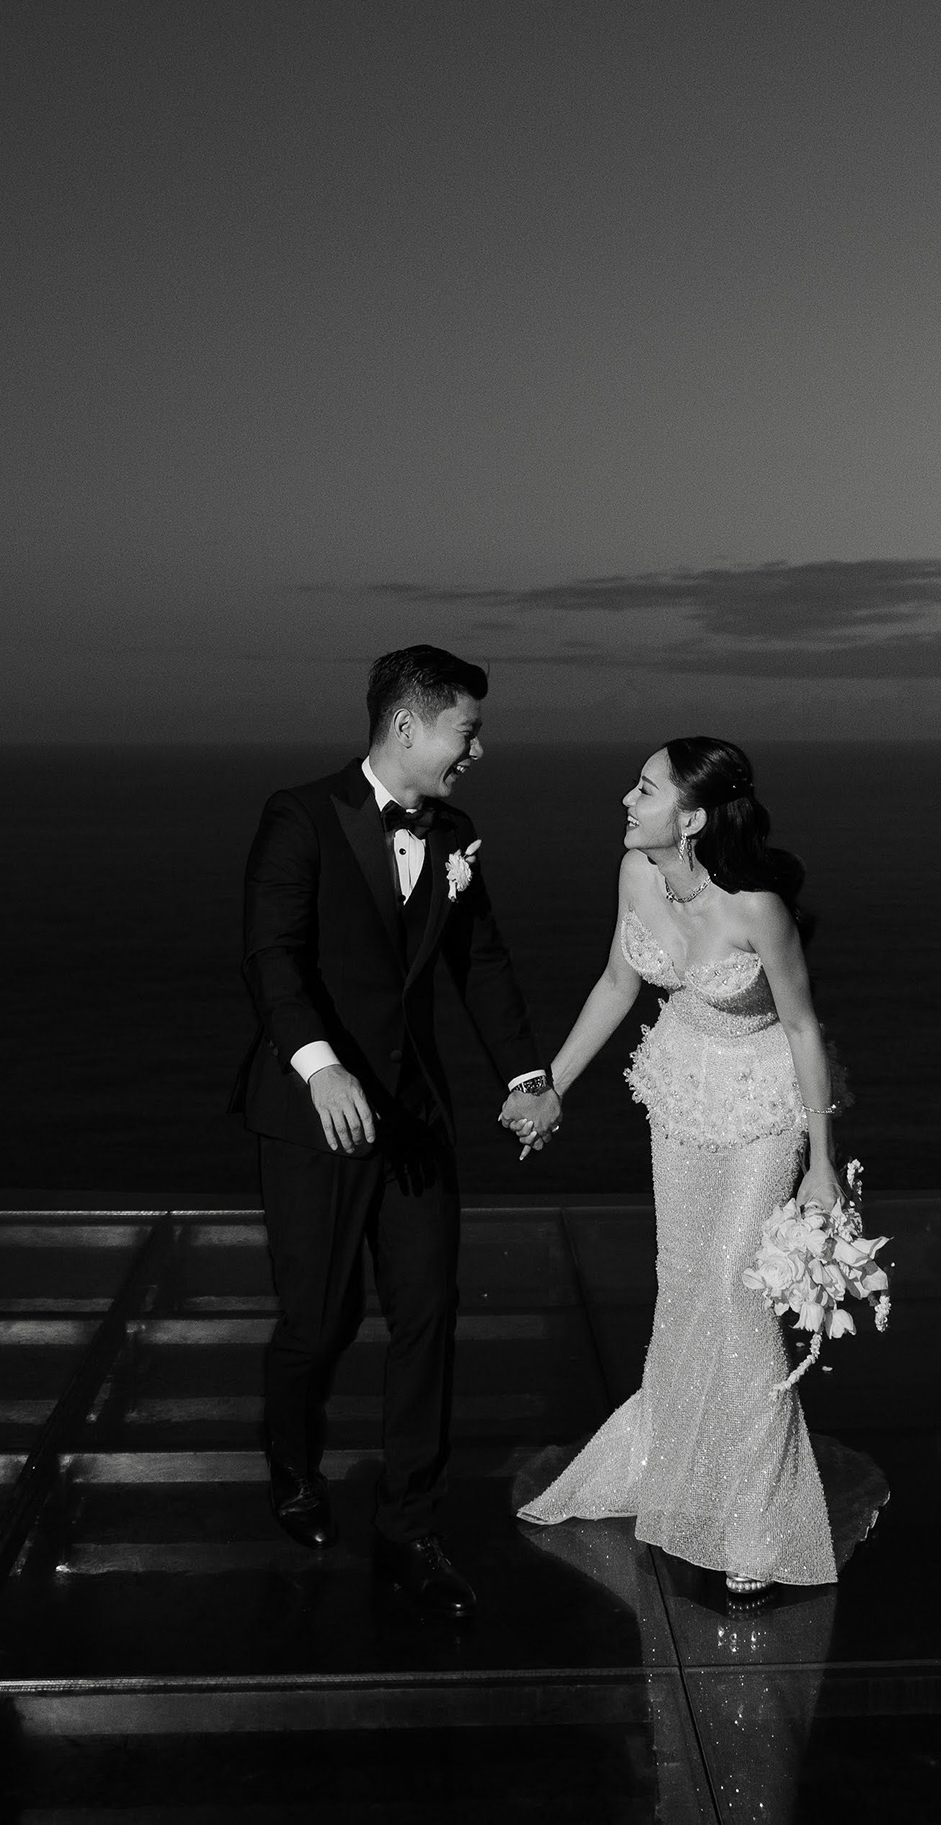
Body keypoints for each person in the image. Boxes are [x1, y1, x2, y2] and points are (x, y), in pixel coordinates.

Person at [515, 736, 886, 1601]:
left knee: (733, 1287)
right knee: (682, 1278)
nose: (626, 799)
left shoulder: (758, 907)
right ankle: (676, 1472)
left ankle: (757, 1522)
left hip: (766, 1100)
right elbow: (617, 983)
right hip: (681, 1088)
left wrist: (822, 1162)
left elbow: (802, 1028)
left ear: (692, 818)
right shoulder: (636, 873)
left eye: (645, 789)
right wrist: (550, 1086)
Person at [234, 645, 560, 1618]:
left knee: (428, 1315)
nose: (479, 752)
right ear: (409, 727)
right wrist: (320, 1065)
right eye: (468, 731)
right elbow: (271, 958)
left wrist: (527, 1075)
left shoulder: (457, 833)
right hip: (314, 1116)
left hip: (415, 1118)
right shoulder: (301, 816)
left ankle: (409, 1526)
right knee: (318, 1323)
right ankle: (292, 1461)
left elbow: (482, 963)